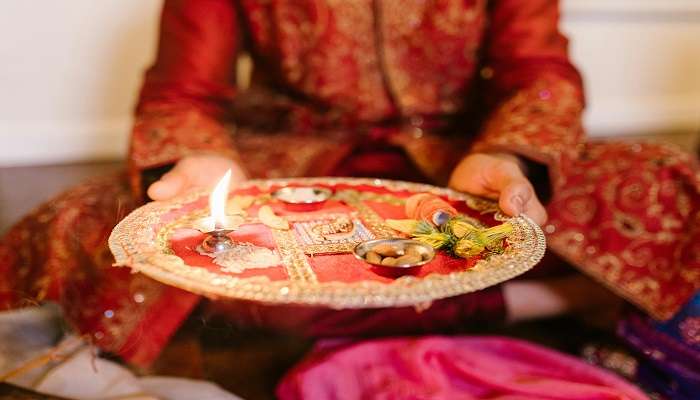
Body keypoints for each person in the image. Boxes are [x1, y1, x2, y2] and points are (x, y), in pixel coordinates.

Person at [1, 0, 697, 397]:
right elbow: (183, 92)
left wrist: (508, 155)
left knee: (662, 180)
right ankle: (550, 302)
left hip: (462, 165)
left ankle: (411, 309)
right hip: (299, 167)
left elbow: (542, 76)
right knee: (96, 225)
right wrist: (203, 159)